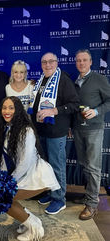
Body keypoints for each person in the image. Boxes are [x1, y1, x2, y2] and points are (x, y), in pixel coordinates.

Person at [0, 96, 60, 241]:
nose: (7, 111)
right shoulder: (6, 129)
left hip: (35, 175)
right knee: (2, 196)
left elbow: (25, 162)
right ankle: (30, 220)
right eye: (4, 108)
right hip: (21, 175)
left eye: (11, 108)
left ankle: (35, 228)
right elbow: (5, 159)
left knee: (4, 198)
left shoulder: (27, 130)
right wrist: (0, 180)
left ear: (18, 110)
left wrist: (8, 182)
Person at [28, 52, 80, 215]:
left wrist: (55, 110)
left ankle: (59, 199)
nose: (48, 65)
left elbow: (75, 104)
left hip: (56, 132)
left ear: (56, 63)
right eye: (44, 62)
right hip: (42, 131)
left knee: (57, 166)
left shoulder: (63, 80)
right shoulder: (42, 80)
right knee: (47, 167)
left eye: (51, 62)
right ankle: (51, 193)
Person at [73, 49, 110, 220]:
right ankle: (89, 195)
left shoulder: (99, 79)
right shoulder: (76, 81)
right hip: (79, 129)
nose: (81, 63)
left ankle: (92, 204)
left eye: (84, 60)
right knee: (84, 164)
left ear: (90, 62)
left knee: (93, 167)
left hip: (94, 128)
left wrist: (96, 111)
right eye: (78, 60)